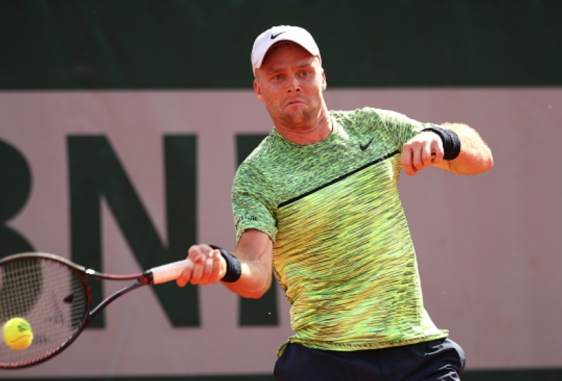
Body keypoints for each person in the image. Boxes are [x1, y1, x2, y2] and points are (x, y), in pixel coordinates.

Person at [176, 25, 493, 380]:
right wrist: (224, 266)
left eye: (304, 72)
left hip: (416, 355)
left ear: (322, 78)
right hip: (325, 362)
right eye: (277, 76)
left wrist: (442, 138)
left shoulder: (375, 128)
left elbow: (480, 156)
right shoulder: (257, 176)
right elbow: (255, 272)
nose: (294, 84)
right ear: (259, 90)